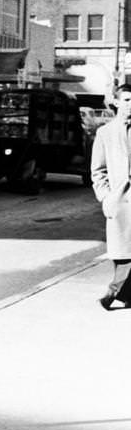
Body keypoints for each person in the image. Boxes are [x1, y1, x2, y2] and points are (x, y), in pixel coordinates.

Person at [91, 83, 131, 310]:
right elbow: (98, 171)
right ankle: (125, 295)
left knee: (128, 252)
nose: (130, 104)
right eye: (126, 100)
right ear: (116, 102)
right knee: (122, 252)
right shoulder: (105, 133)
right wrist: (106, 197)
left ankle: (114, 291)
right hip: (119, 202)